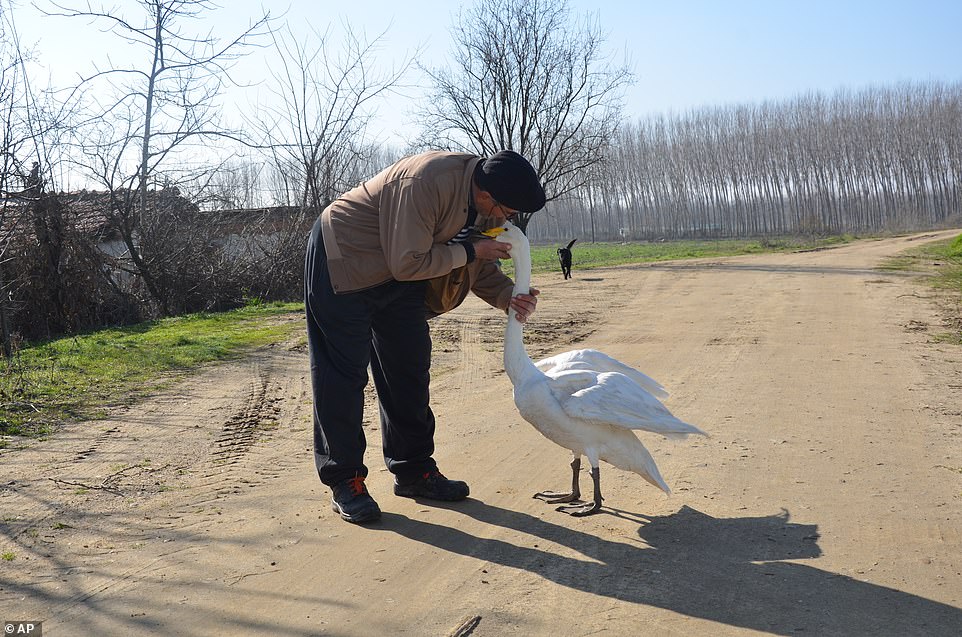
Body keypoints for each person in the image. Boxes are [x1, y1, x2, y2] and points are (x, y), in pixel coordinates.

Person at [304, 150, 546, 523]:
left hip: (399, 274)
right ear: (486, 196)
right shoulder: (426, 183)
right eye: (509, 212)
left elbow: (475, 263)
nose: (508, 220)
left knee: (408, 366)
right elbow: (412, 260)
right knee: (344, 372)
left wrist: (507, 297)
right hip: (345, 259)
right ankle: (345, 479)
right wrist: (470, 249)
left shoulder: (486, 206)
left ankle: (414, 470)